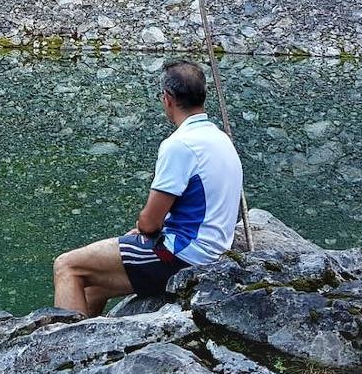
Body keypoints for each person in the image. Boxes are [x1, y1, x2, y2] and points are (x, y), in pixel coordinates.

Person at [52, 60, 244, 317]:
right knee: (92, 288)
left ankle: (62, 350)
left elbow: (149, 223)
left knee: (67, 266)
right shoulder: (221, 138)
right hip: (212, 249)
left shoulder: (180, 145)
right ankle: (90, 349)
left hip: (184, 255)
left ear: (167, 98)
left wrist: (145, 229)